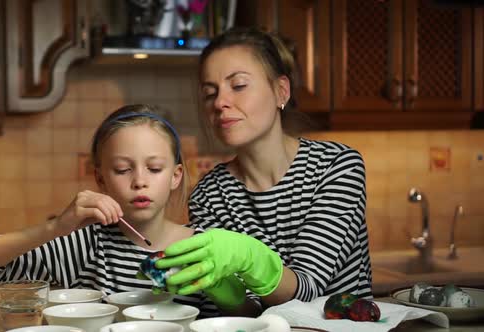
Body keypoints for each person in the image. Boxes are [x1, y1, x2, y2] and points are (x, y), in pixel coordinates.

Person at [0, 104, 259, 317]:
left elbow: (254, 318)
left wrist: (233, 300)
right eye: (122, 169)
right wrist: (55, 228)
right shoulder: (84, 244)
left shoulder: (205, 247)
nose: (140, 181)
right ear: (101, 178)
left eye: (154, 168)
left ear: (175, 176)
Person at [155, 27, 373, 310]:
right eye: (210, 93)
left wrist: (250, 257)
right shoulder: (209, 195)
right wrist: (224, 294)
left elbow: (307, 290)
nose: (220, 103)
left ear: (281, 91)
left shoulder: (337, 168)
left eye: (239, 85)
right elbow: (251, 314)